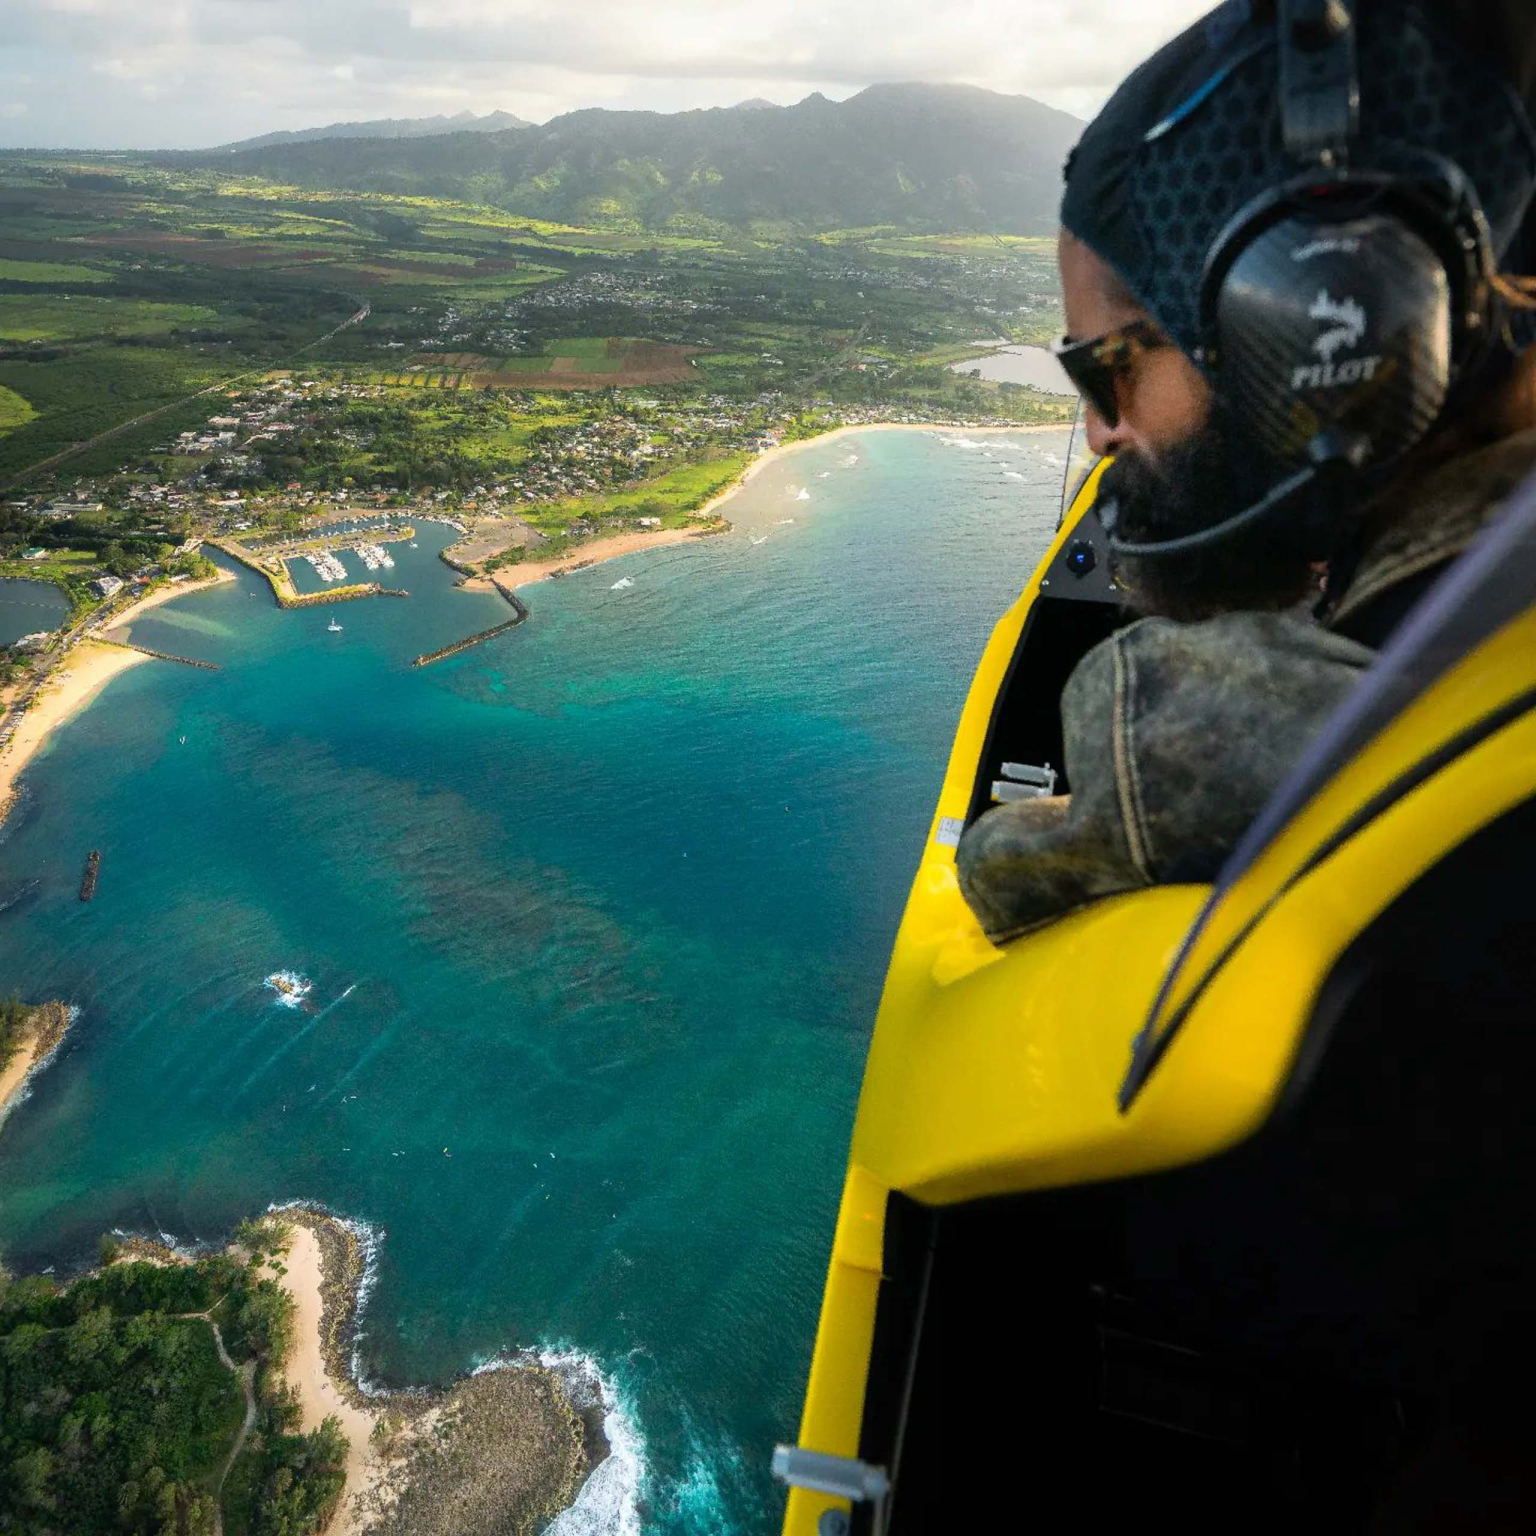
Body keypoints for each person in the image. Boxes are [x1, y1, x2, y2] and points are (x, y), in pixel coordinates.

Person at [957, 0, 1536, 942]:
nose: (1100, 438)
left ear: (1316, 335)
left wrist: (1141, 761)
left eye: (1105, 371)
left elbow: (990, 882)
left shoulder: (1204, 763)